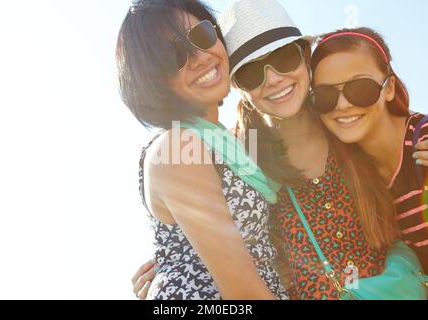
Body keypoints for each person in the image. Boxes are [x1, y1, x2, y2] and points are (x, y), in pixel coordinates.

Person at [132, 0, 428, 300]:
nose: (273, 79)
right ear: (237, 86)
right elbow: (221, 234)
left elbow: (402, 139)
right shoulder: (243, 161)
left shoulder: (345, 124)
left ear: (305, 57)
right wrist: (172, 265)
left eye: (284, 57)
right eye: (251, 72)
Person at [117, 0, 288, 300]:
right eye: (174, 56)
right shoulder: (178, 146)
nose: (199, 58)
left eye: (202, 35)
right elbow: (244, 293)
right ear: (153, 80)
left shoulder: (227, 144)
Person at [310, 27, 428, 272]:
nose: (342, 105)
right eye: (325, 95)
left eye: (360, 88)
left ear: (389, 88)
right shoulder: (343, 173)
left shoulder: (423, 138)